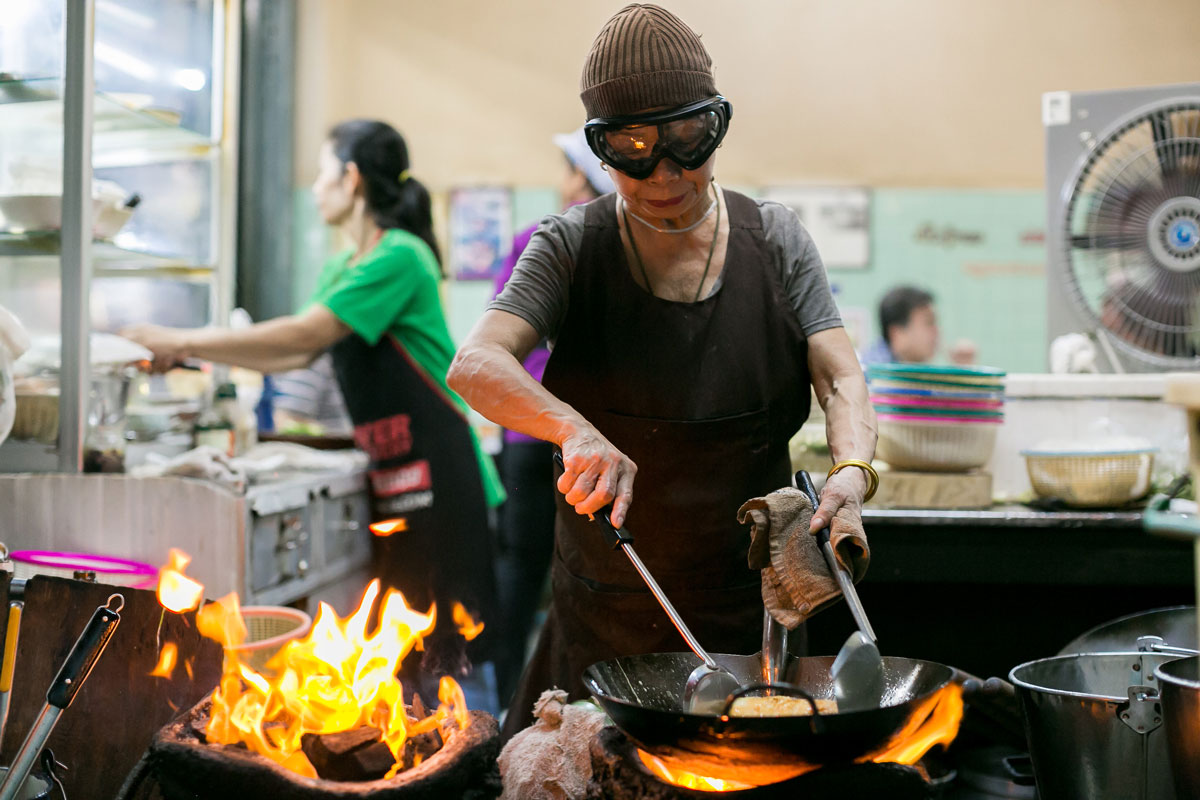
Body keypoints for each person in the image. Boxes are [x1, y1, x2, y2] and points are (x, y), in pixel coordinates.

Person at [447, 4, 877, 736]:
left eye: (688, 143)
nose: (666, 174)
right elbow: (475, 365)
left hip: (752, 627)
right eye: (633, 150)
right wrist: (572, 429)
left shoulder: (774, 241)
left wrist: (852, 472)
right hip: (603, 619)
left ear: (715, 126)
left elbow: (839, 377)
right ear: (600, 150)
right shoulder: (570, 247)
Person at [124, 119, 505, 673]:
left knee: (450, 659)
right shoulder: (339, 267)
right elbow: (292, 354)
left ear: (351, 179)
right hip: (393, 475)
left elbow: (306, 335)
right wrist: (192, 351)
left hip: (442, 480)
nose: (316, 187)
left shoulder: (401, 256)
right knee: (403, 655)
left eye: (324, 172)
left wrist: (179, 337)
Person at [489, 127, 614, 707]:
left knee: (521, 568)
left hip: (526, 427)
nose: (563, 182)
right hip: (583, 435)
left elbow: (501, 338)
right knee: (580, 572)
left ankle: (512, 694)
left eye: (571, 170)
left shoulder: (537, 239)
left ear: (586, 179)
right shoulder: (620, 251)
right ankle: (575, 695)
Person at [860, 285, 976, 366]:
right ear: (898, 334)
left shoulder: (909, 369)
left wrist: (964, 370)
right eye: (928, 323)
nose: (937, 330)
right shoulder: (872, 379)